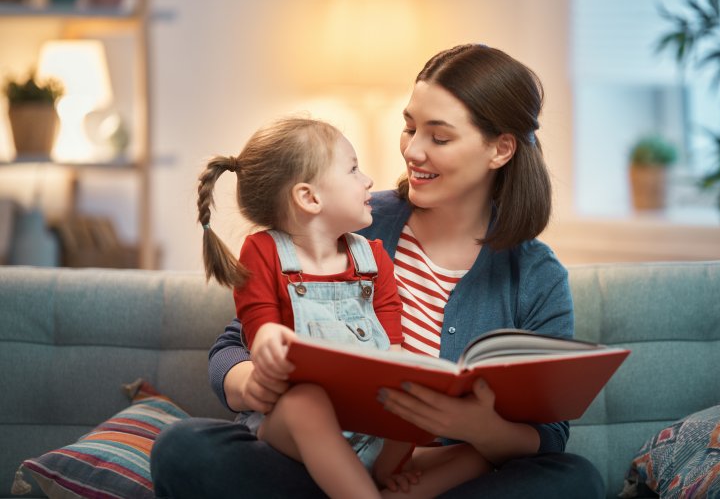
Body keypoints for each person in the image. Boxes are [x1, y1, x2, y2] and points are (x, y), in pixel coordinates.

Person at [152, 44, 605, 499]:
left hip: (430, 476)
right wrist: (256, 383)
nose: (413, 150)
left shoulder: (536, 276)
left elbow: (548, 435)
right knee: (184, 447)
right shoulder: (352, 221)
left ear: (500, 149)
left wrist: (476, 426)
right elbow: (234, 346)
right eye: (409, 128)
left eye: (439, 137)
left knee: (573, 479)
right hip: (312, 465)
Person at [193, 117, 492, 498]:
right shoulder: (263, 251)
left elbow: (393, 349)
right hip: (293, 428)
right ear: (309, 198)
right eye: (353, 169)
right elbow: (257, 322)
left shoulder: (374, 259)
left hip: (370, 431)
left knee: (475, 456)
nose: (368, 180)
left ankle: (382, 482)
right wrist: (267, 339)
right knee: (306, 401)